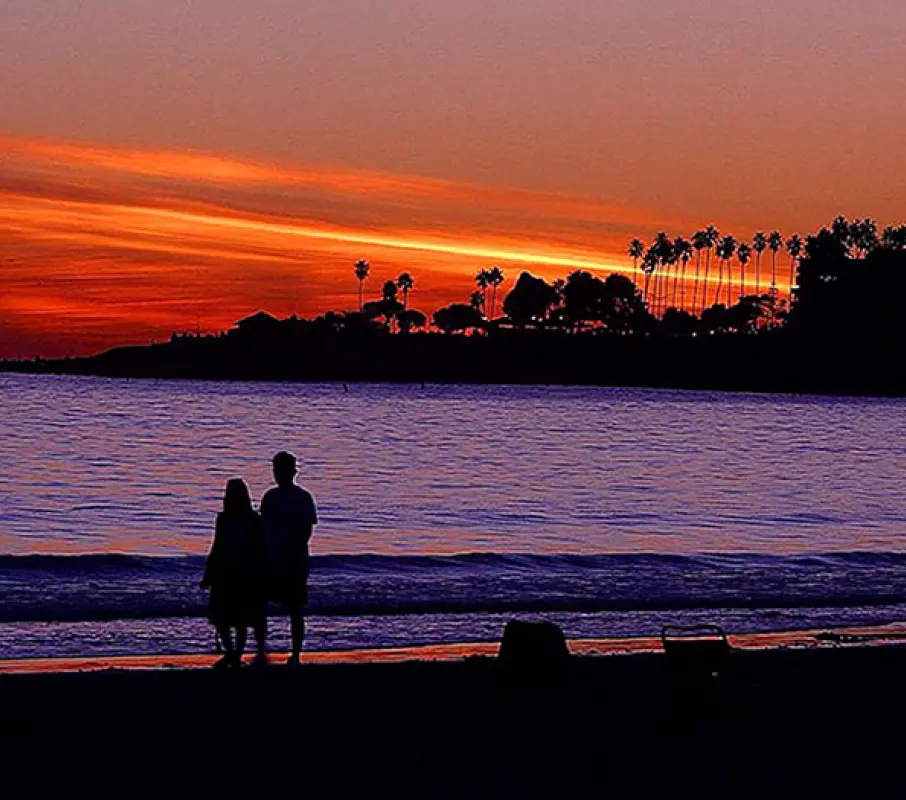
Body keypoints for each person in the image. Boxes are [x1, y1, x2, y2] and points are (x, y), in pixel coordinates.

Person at [260, 451, 318, 666]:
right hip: (275, 559)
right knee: (264, 606)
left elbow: (306, 530)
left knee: (294, 609)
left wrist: (289, 552)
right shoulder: (271, 497)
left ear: (291, 472)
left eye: (280, 469)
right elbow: (262, 528)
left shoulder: (301, 497)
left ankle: (295, 653)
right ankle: (262, 649)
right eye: (276, 470)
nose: (277, 474)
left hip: (293, 561)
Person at [201, 479, 265, 668]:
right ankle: (231, 652)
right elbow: (217, 545)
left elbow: (258, 548)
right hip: (225, 571)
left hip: (244, 573)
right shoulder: (224, 519)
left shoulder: (253, 520)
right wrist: (209, 572)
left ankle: (236, 654)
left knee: (240, 618)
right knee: (223, 616)